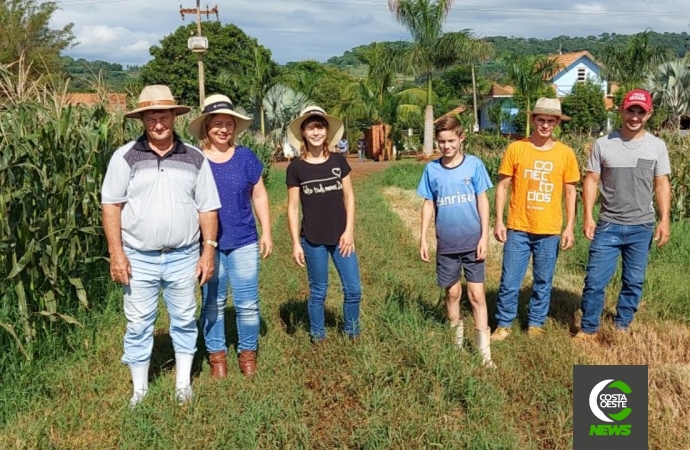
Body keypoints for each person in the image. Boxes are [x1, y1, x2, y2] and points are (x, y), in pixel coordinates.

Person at [101, 85, 220, 407]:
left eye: (163, 116)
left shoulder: (195, 158)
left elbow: (207, 208)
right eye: (151, 117)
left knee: (183, 318)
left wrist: (208, 251)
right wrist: (117, 254)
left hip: (183, 255)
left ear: (173, 117)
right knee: (139, 322)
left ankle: (183, 384)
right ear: (142, 120)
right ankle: (139, 390)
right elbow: (111, 205)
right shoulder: (124, 157)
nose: (158, 124)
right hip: (138, 257)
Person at [188, 94, 273, 379]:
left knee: (248, 304)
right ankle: (217, 357)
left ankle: (247, 354)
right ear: (206, 128)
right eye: (217, 124)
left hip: (244, 241)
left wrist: (267, 232)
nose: (223, 129)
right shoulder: (194, 160)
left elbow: (259, 194)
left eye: (229, 124)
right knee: (212, 302)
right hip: (208, 245)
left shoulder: (246, 157)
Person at [575, 89, 671, 340]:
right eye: (631, 110)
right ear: (622, 111)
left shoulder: (657, 146)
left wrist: (664, 220)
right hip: (608, 225)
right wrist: (588, 216)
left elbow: (661, 184)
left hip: (642, 227)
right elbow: (592, 181)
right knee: (595, 280)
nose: (635, 116)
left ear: (649, 114)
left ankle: (623, 324)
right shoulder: (603, 144)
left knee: (634, 281)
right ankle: (588, 328)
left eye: (641, 112)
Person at [491, 98, 580, 342]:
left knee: (543, 280)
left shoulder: (566, 154)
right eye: (541, 119)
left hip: (549, 229)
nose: (545, 125)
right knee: (510, 280)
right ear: (533, 120)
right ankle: (504, 323)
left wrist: (570, 227)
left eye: (551, 121)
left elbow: (571, 192)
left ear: (557, 123)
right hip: (518, 227)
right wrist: (499, 221)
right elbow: (503, 186)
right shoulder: (516, 149)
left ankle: (536, 323)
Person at [417, 116, 495, 368]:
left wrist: (484, 235)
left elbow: (483, 200)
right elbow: (428, 203)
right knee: (452, 292)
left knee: (476, 295)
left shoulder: (474, 165)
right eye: (441, 141)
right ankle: (456, 345)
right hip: (447, 245)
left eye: (451, 140)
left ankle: (484, 354)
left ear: (461, 138)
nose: (446, 146)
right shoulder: (432, 169)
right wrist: (423, 237)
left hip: (473, 243)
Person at [286, 106, 362, 342]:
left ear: (327, 131)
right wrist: (296, 243)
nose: (316, 132)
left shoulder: (339, 161)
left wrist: (349, 231)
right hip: (312, 239)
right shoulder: (296, 168)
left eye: (320, 126)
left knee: (353, 289)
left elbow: (349, 197)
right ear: (303, 133)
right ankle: (317, 336)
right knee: (318, 291)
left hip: (341, 238)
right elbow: (293, 207)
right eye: (311, 127)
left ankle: (352, 332)